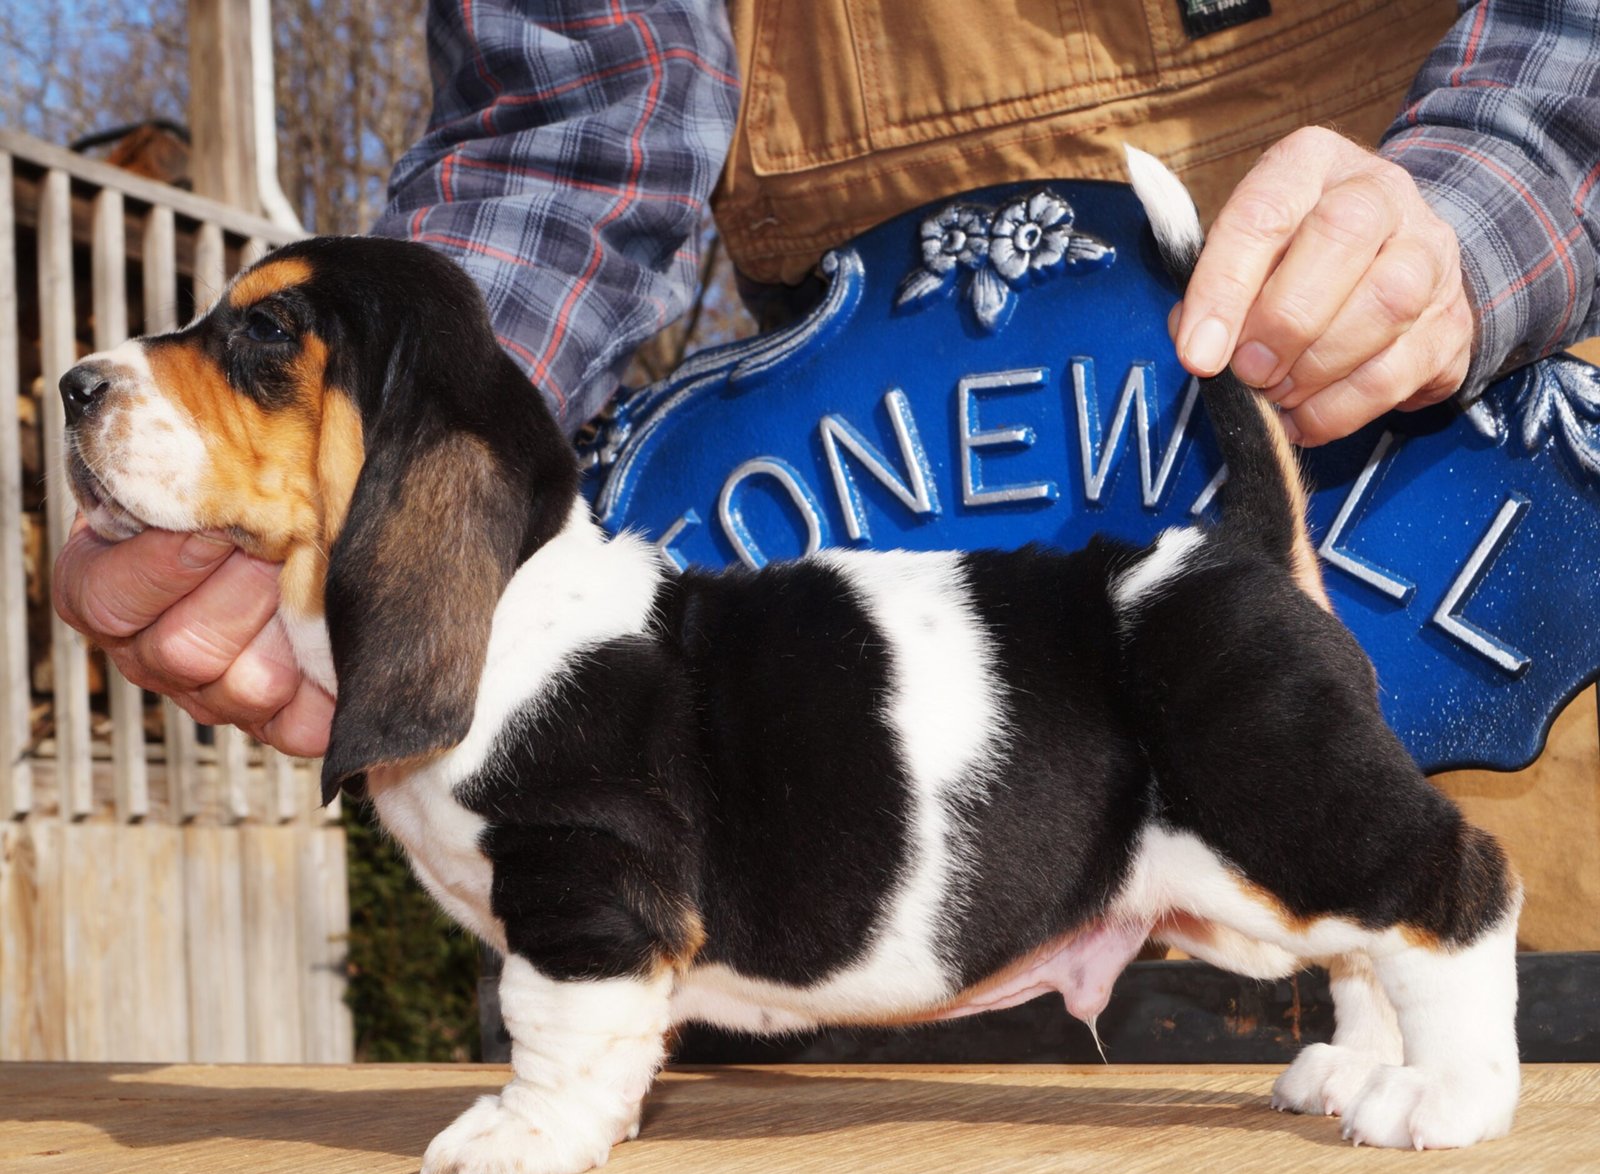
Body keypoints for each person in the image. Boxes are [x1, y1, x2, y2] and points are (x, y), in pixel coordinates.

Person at [53, 0, 1600, 759]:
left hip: (1495, 675)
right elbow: (577, 128)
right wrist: (374, 455)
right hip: (868, 781)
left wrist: (1472, 213)